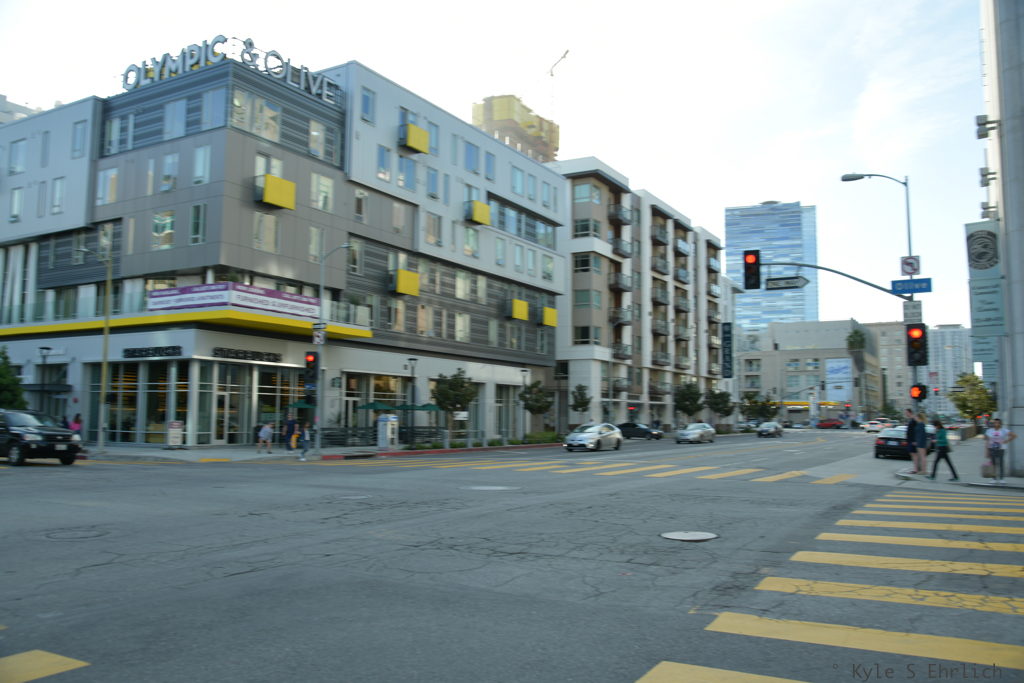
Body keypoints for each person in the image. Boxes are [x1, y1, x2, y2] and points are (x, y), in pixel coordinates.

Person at [984, 418, 1017, 484]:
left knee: (1001, 464)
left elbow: (1014, 435)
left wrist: (1007, 441)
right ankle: (994, 478)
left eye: (998, 423)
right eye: (995, 423)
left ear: (1000, 423)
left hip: (1001, 449)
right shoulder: (989, 431)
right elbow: (987, 441)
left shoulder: (1004, 430)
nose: (996, 424)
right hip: (992, 449)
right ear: (993, 424)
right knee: (993, 464)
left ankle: (1002, 479)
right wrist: (987, 451)